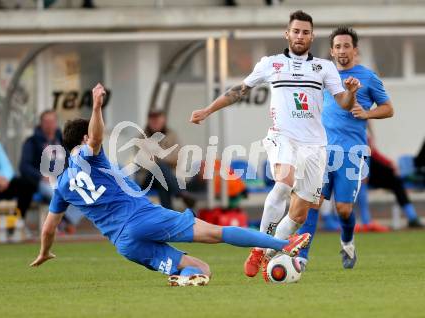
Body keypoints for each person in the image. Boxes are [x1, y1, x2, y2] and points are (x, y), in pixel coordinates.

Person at [30, 83, 311, 287]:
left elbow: (48, 227)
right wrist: (96, 106)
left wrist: (44, 252)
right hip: (143, 218)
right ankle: (284, 243)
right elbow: (94, 140)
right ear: (81, 139)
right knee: (217, 232)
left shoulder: (64, 183)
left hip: (125, 243)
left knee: (203, 269)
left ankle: (184, 280)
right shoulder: (88, 155)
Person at [190, 11, 361, 281]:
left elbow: (343, 103)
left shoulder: (324, 68)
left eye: (305, 32)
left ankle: (266, 251)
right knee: (283, 182)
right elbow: (238, 90)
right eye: (296, 31)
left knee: (300, 213)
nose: (300, 36)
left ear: (312, 36)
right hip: (282, 137)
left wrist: (351, 93)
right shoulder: (271, 64)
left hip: (315, 146)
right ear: (287, 34)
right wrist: (208, 110)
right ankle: (259, 248)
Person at [296, 26, 394, 270]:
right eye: (337, 46)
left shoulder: (368, 77)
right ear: (331, 51)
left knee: (343, 209)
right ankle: (301, 256)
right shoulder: (322, 75)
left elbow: (389, 108)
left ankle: (347, 240)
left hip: (352, 152)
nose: (342, 50)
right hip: (322, 151)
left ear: (355, 49)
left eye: (346, 45)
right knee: (313, 203)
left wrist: (368, 113)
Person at [19, 110, 78, 234]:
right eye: (46, 122)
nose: (49, 124)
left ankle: (67, 221)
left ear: (56, 123)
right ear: (41, 123)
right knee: (58, 193)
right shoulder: (32, 142)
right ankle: (62, 223)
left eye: (52, 121)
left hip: (62, 179)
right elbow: (24, 166)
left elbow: (71, 161)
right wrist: (41, 176)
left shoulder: (62, 141)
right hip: (42, 182)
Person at [0, 110, 36, 241]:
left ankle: (18, 223)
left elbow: (6, 165)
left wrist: (5, 180)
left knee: (27, 185)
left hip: (1, 183)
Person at [355, 136, 423, 230]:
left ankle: (412, 217)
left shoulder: (364, 135)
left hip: (370, 172)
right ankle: (365, 222)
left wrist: (390, 163)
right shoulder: (351, 134)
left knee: (396, 181)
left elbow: (374, 154)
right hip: (355, 171)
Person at [139, 110, 195, 209]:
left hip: (166, 177)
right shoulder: (141, 138)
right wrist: (164, 156)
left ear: (163, 120)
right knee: (159, 168)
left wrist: (158, 154)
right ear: (148, 121)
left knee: (162, 180)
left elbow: (178, 157)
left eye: (158, 120)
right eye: (153, 120)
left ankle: (168, 212)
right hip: (147, 178)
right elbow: (146, 163)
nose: (155, 123)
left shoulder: (172, 135)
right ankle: (181, 194)